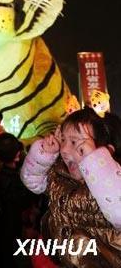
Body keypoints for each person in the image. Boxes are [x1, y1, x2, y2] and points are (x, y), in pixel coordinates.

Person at [21, 106, 121, 267]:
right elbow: (32, 181)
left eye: (75, 142)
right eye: (63, 141)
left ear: (105, 151)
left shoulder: (112, 181)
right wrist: (44, 153)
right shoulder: (60, 175)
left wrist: (96, 162)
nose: (65, 150)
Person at [0, 133, 38, 268]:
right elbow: (26, 203)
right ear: (18, 154)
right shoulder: (22, 179)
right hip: (19, 230)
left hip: (1, 231)